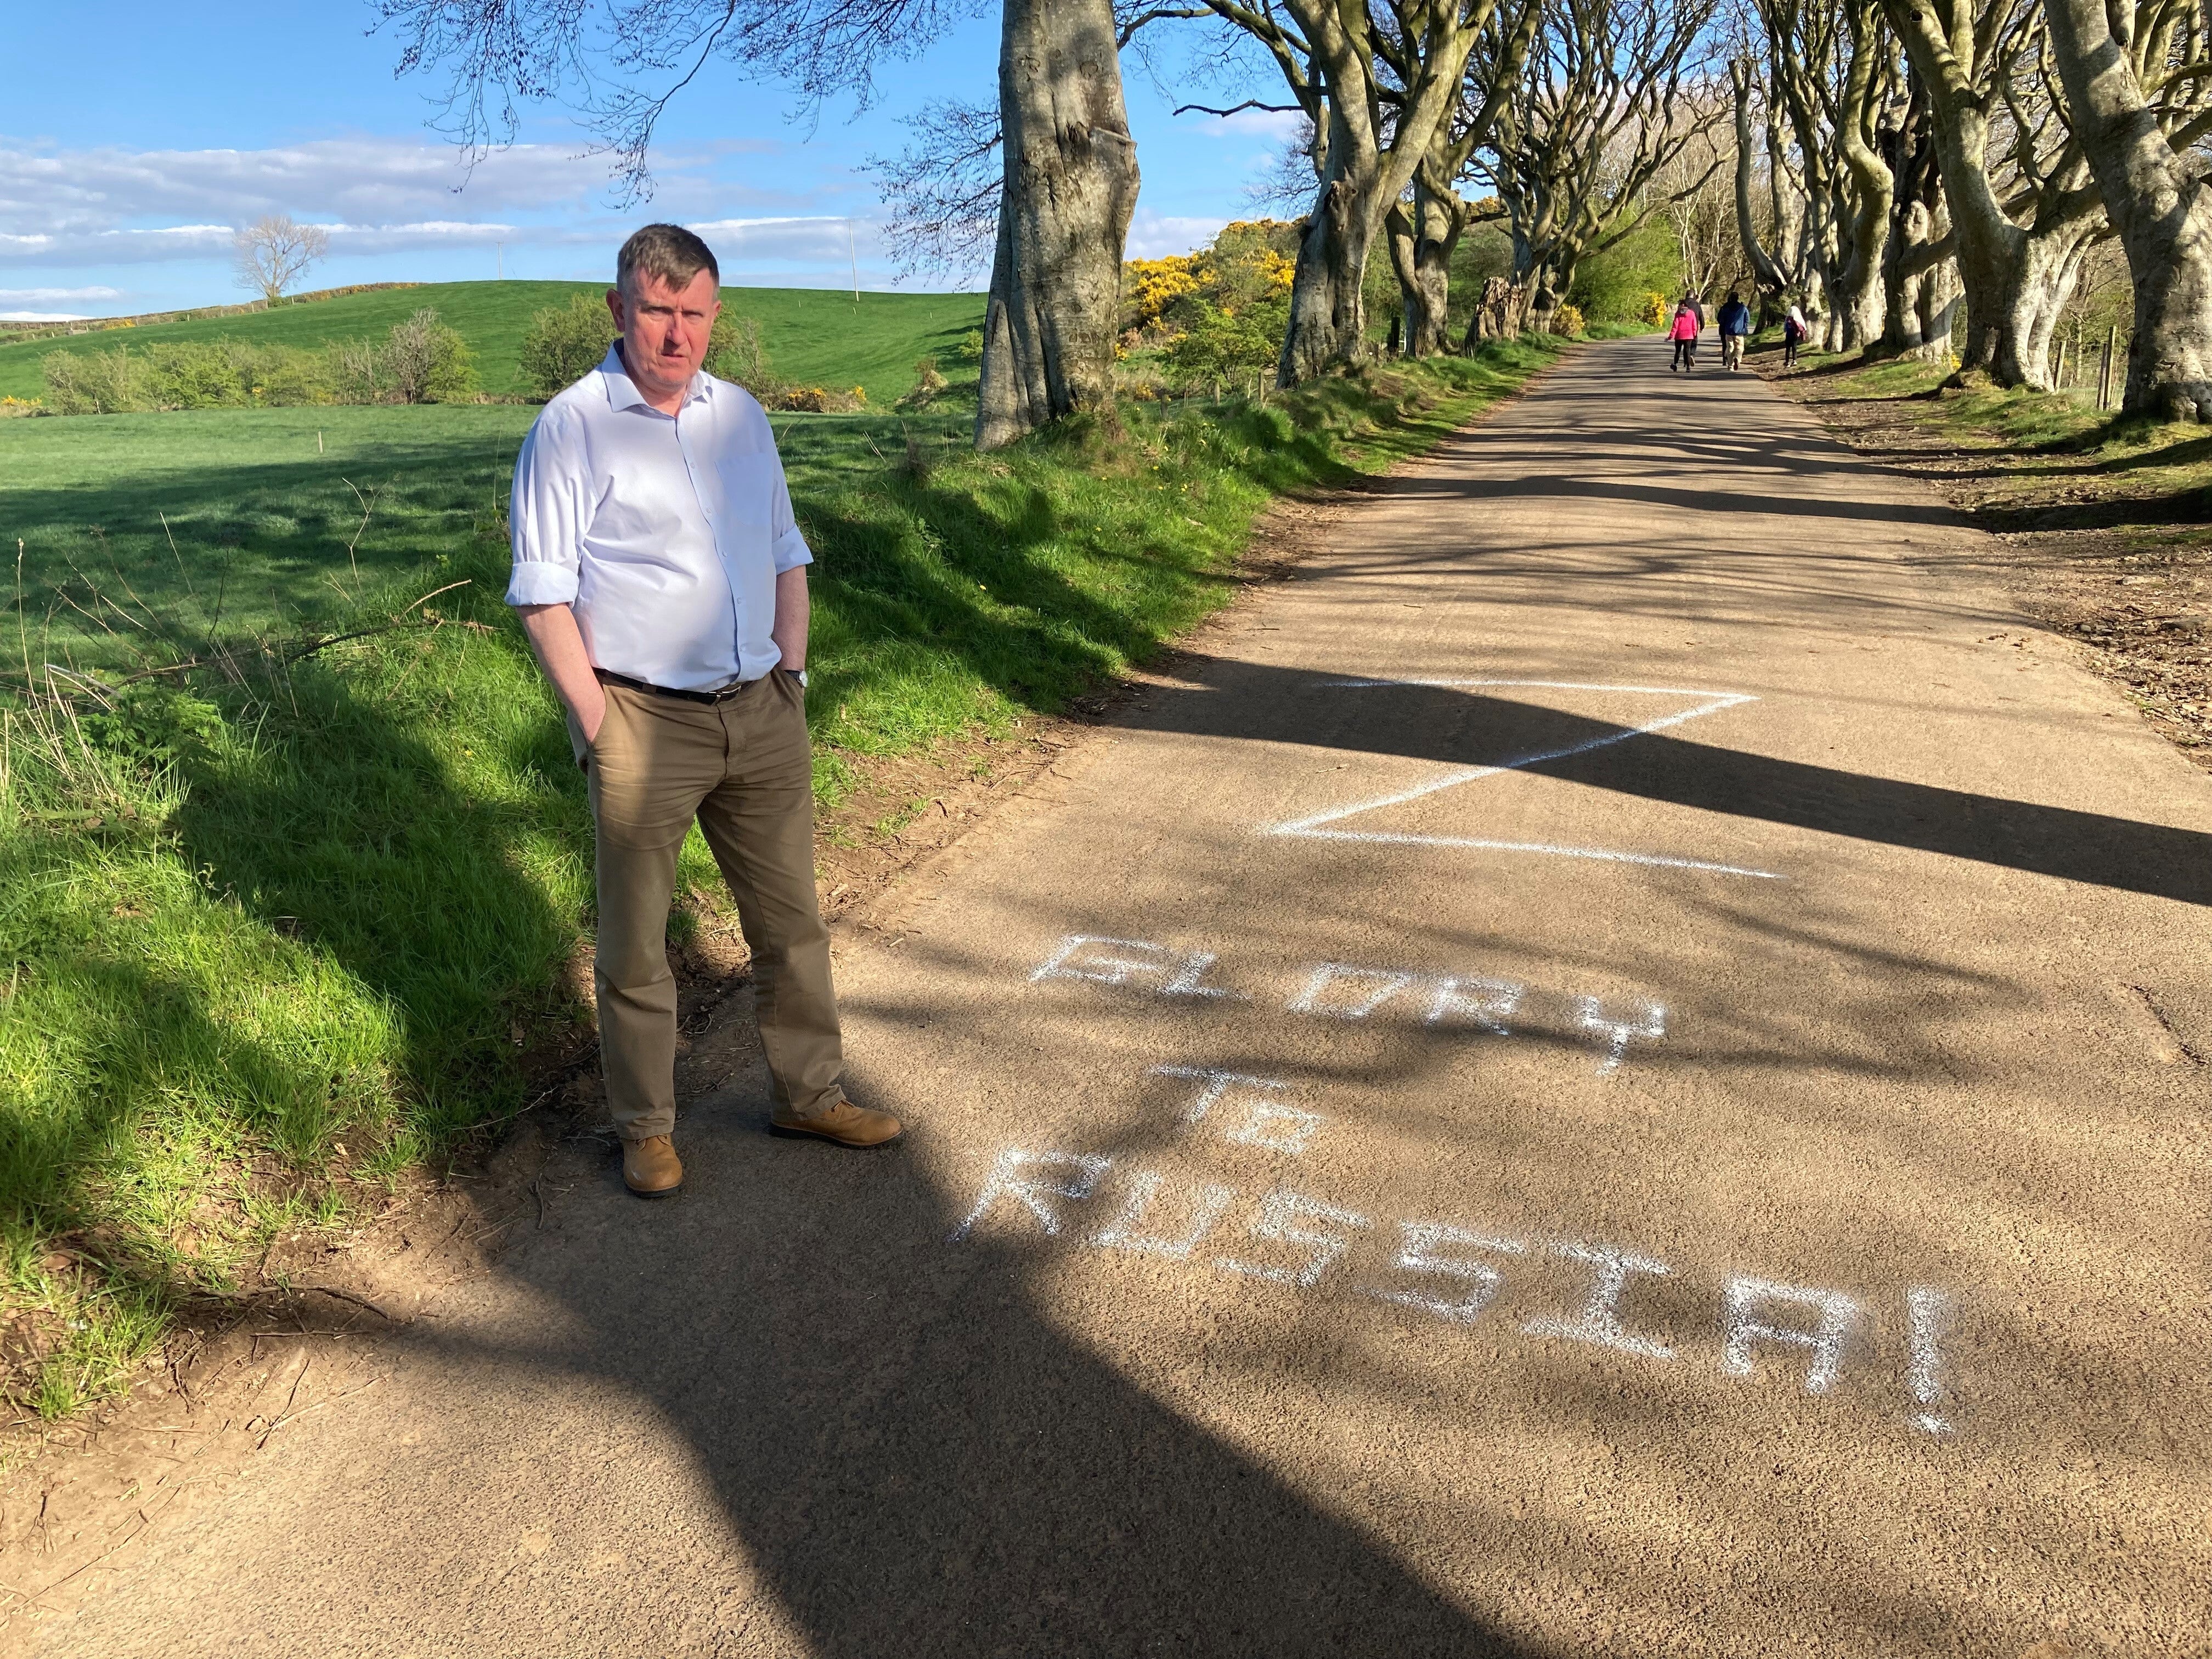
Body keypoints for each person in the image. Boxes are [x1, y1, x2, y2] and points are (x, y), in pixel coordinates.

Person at [506, 223, 902, 1199]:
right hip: (644, 719)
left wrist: (792, 680)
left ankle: (807, 1094)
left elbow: (785, 553)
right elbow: (541, 592)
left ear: (714, 315)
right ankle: (645, 1128)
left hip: (761, 707)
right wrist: (600, 724)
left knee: (791, 922)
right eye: (655, 310)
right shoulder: (572, 425)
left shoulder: (743, 418)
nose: (675, 333)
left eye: (693, 313)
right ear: (617, 311)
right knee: (638, 945)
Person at [1717, 290, 1751, 371]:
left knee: (1730, 348)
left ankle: (1730, 365)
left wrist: (1725, 326)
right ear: (1738, 298)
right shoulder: (1743, 308)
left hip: (1728, 332)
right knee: (1740, 347)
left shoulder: (1725, 307)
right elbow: (1748, 319)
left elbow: (1721, 319)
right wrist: (1744, 327)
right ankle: (1738, 359)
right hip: (1739, 332)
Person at [1668, 294, 1701, 372]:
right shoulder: (1692, 313)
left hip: (1679, 336)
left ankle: (1675, 364)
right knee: (1687, 350)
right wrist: (1694, 334)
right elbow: (1694, 326)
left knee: (1678, 351)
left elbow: (1675, 326)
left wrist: (1671, 336)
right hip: (1689, 336)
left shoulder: (1678, 314)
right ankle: (1688, 367)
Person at [1783, 302, 1809, 369]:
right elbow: (1803, 327)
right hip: (1795, 335)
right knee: (1794, 348)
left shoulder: (1788, 319)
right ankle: (1795, 360)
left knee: (1788, 349)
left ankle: (1787, 362)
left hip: (1789, 335)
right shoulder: (1799, 319)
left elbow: (1785, 328)